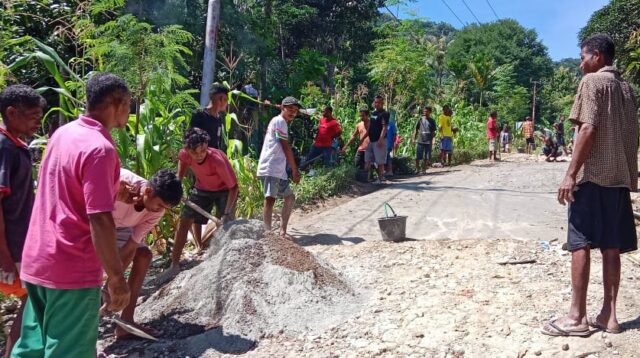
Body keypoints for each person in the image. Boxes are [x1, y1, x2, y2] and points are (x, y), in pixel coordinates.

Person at [13, 73, 131, 357]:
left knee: (32, 349)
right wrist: (116, 277)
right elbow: (100, 217)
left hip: (38, 261)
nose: (130, 110)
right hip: (71, 267)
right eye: (129, 104)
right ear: (118, 103)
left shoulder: (63, 134)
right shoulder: (100, 149)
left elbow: (66, 191)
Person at [544, 34, 638, 337]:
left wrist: (570, 174)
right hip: (619, 178)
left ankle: (577, 317)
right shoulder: (627, 89)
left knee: (580, 241)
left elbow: (587, 128)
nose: (581, 61)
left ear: (596, 56)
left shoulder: (592, 83)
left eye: (583, 56)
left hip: (592, 176)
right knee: (611, 245)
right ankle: (609, 317)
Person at [107, 168, 182, 340]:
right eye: (160, 205)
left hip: (121, 228)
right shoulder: (122, 184)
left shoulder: (156, 212)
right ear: (148, 191)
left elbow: (131, 246)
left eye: (165, 208)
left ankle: (125, 322)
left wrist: (113, 281)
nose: (160, 210)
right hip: (95, 221)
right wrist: (112, 279)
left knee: (144, 255)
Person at [0, 85, 45, 358]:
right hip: (11, 247)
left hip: (19, 244)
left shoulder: (17, 146)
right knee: (33, 298)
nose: (37, 122)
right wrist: (5, 256)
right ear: (12, 113)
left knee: (32, 299)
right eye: (32, 116)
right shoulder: (4, 147)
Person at [162, 128, 239, 279]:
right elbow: (180, 176)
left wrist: (227, 213)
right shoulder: (184, 155)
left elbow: (234, 187)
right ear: (186, 150)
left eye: (203, 151)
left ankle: (226, 264)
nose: (199, 155)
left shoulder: (216, 159)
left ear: (207, 145)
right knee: (184, 222)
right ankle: (174, 264)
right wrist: (175, 193)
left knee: (225, 226)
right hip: (202, 188)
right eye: (194, 153)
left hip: (225, 191)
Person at [257, 96, 301, 240]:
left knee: (289, 197)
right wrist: (294, 170)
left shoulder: (281, 122)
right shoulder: (280, 121)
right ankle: (268, 234)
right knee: (270, 199)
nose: (293, 112)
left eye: (295, 110)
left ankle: (282, 232)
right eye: (290, 109)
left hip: (278, 169)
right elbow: (285, 146)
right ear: (282, 107)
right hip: (271, 166)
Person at [190, 83, 229, 150]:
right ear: (221, 99)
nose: (227, 104)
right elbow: (191, 140)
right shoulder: (200, 115)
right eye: (226, 100)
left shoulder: (219, 119)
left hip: (213, 158)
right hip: (200, 157)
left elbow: (217, 143)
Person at [365, 95, 389, 184]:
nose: (377, 104)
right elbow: (370, 127)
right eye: (375, 102)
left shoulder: (384, 114)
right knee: (367, 158)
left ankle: (380, 179)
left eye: (378, 102)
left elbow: (384, 128)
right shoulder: (373, 113)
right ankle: (366, 178)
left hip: (379, 141)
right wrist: (365, 137)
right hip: (371, 141)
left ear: (382, 103)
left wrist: (380, 139)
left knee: (380, 161)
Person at [412, 106, 436, 174]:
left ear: (430, 112)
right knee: (418, 156)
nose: (425, 112)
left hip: (428, 141)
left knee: (427, 156)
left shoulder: (432, 121)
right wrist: (414, 139)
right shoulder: (420, 120)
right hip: (420, 140)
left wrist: (434, 140)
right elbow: (416, 130)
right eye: (424, 111)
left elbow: (433, 132)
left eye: (426, 111)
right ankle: (417, 169)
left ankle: (424, 169)